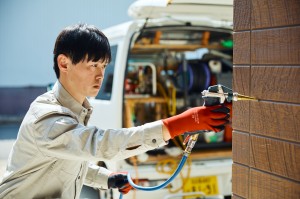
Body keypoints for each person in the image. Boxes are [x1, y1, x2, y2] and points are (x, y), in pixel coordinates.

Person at [0, 23, 230, 199]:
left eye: (103, 66)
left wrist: (106, 178)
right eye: (92, 65)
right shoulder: (47, 117)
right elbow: (100, 144)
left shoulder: (76, 110)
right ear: (64, 63)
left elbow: (66, 162)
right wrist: (179, 123)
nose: (100, 75)